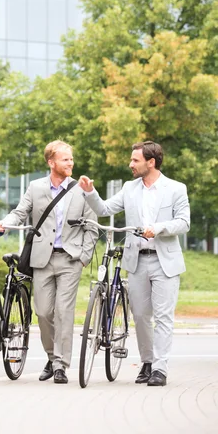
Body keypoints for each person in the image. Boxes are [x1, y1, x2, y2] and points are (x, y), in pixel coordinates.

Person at [79, 140, 190, 387]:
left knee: (163, 317)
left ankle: (160, 369)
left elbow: (184, 223)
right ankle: (147, 362)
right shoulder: (130, 188)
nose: (131, 164)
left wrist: (158, 228)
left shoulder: (175, 189)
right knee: (140, 315)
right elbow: (105, 209)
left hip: (165, 262)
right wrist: (89, 192)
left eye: (135, 160)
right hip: (137, 261)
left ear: (151, 162)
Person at [0, 140, 98, 384]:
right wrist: (4, 224)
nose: (70, 163)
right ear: (51, 162)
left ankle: (61, 365)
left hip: (70, 259)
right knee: (43, 312)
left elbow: (91, 227)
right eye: (65, 159)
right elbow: (20, 213)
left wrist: (84, 256)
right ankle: (52, 357)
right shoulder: (36, 187)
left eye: (71, 159)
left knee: (63, 311)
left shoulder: (83, 189)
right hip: (42, 259)